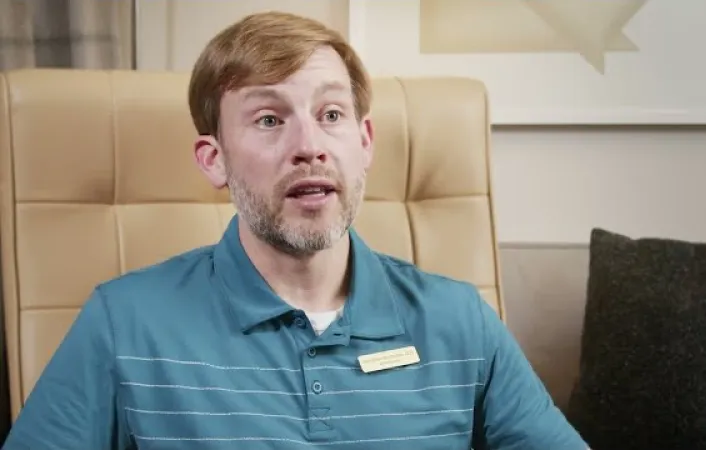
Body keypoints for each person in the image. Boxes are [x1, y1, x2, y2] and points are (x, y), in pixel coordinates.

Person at [2, 11, 589, 450]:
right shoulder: (121, 323)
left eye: (331, 115)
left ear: (364, 144)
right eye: (268, 119)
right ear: (214, 159)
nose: (308, 146)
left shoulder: (462, 322)